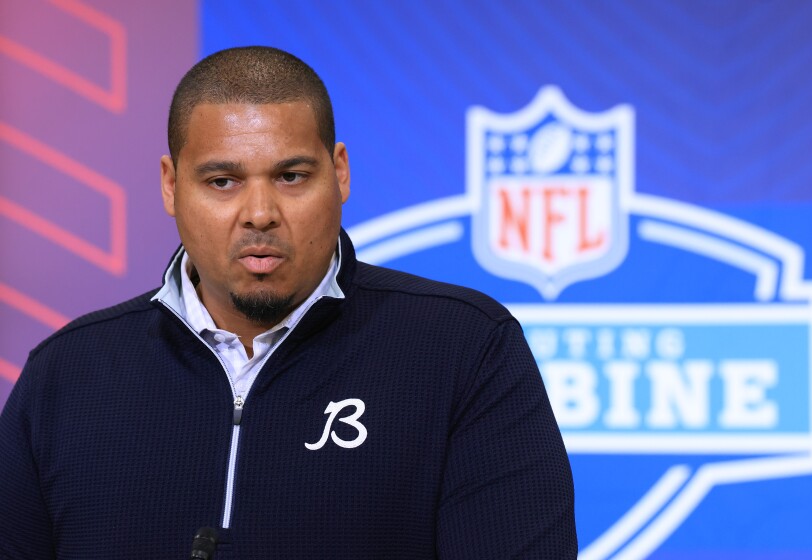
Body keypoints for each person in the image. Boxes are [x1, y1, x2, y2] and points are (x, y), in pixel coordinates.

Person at [0, 46, 576, 559]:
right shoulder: (67, 373)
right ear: (171, 186)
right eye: (222, 181)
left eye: (292, 176)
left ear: (340, 174)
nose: (259, 213)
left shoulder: (464, 349)